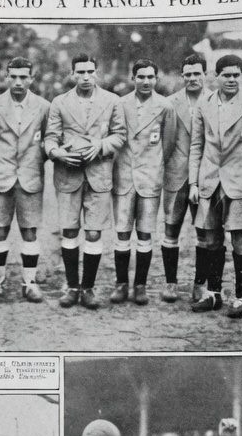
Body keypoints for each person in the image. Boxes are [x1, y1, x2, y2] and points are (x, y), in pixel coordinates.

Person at [188, 54, 242, 318]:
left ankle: (241, 297)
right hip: (209, 179)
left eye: (236, 75)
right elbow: (197, 145)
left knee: (240, 239)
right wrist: (193, 182)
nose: (231, 79)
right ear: (216, 76)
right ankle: (214, 293)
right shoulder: (204, 104)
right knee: (210, 237)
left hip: (240, 182)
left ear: (241, 76)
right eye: (226, 75)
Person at [46, 52, 127, 310]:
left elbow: (120, 136)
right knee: (69, 231)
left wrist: (101, 146)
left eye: (90, 72)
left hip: (98, 175)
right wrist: (56, 152)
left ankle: (88, 288)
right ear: (72, 74)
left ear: (97, 73)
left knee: (93, 232)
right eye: (80, 72)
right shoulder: (59, 102)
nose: (85, 77)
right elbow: (50, 137)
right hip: (68, 174)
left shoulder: (112, 101)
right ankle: (71, 287)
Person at [0, 57, 51, 304]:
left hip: (30, 176)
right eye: (14, 77)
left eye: (24, 77)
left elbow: (49, 141)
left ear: (32, 78)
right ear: (6, 77)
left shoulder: (43, 106)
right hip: (0, 176)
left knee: (29, 231)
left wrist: (34, 160)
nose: (18, 82)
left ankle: (29, 283)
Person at [112, 59, 177, 306]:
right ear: (133, 78)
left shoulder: (165, 106)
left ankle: (140, 285)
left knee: (145, 234)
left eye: (150, 77)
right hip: (124, 177)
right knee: (121, 232)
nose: (146, 81)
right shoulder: (120, 104)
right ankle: (121, 284)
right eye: (141, 77)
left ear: (156, 79)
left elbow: (168, 145)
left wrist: (153, 166)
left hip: (150, 178)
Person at [163, 53, 208, 304]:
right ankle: (170, 283)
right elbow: (165, 141)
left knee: (204, 231)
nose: (192, 78)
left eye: (196, 74)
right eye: (188, 74)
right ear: (182, 76)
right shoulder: (170, 103)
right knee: (171, 228)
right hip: (176, 175)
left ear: (205, 75)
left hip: (205, 177)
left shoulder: (214, 100)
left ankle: (199, 284)